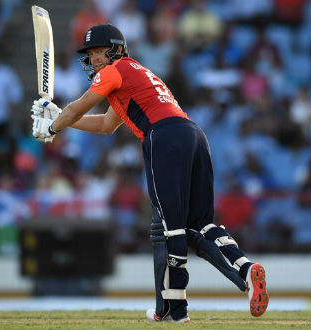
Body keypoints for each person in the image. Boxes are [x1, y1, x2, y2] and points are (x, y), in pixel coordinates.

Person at [31, 24, 268, 323]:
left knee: (170, 229)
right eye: (90, 55)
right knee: (201, 225)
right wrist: (60, 117)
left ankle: (173, 309)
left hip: (163, 137)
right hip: (193, 135)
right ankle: (247, 270)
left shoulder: (113, 71)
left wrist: (52, 126)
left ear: (116, 49)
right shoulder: (135, 75)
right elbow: (106, 124)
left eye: (97, 52)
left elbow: (78, 107)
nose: (93, 60)